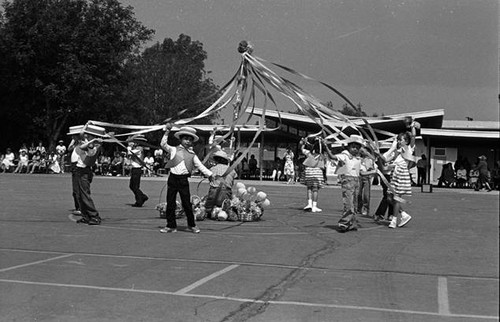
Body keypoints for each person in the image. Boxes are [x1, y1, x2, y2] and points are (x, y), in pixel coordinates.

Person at [159, 124, 214, 233]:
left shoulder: (192, 155)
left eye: (190, 139)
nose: (187, 141)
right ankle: (170, 225)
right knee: (170, 203)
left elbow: (200, 166)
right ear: (180, 139)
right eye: (185, 139)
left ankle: (191, 225)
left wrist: (210, 175)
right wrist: (167, 131)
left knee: (186, 204)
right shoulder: (174, 150)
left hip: (183, 180)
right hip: (173, 179)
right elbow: (163, 144)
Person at [382, 122, 418, 229]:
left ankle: (393, 220)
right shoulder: (396, 151)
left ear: (406, 141)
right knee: (389, 197)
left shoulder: (408, 149)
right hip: (394, 174)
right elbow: (386, 159)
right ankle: (403, 214)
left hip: (402, 174)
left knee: (396, 198)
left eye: (401, 139)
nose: (398, 141)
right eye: (398, 139)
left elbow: (413, 137)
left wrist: (412, 127)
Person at [325, 134, 364, 231]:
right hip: (348, 181)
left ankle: (351, 223)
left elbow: (362, 171)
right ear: (349, 146)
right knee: (349, 203)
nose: (355, 149)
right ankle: (344, 223)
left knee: (354, 204)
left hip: (356, 181)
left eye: (357, 147)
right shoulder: (345, 155)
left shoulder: (358, 158)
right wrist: (326, 146)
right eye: (353, 147)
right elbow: (333, 157)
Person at [73, 124, 105, 225]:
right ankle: (85, 215)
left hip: (84, 171)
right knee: (79, 195)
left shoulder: (95, 146)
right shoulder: (91, 142)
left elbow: (86, 149)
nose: (86, 136)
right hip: (79, 170)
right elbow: (82, 135)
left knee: (85, 195)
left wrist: (93, 141)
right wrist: (87, 124)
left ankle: (94, 216)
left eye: (90, 135)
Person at [205, 150, 237, 218]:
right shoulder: (231, 170)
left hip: (213, 194)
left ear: (216, 160)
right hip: (226, 194)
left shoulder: (212, 169)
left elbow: (210, 181)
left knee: (208, 208)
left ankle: (210, 212)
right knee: (225, 207)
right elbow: (231, 183)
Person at [299, 137, 325, 213]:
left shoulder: (309, 153)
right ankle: (314, 206)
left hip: (308, 172)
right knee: (315, 189)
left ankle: (309, 204)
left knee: (309, 188)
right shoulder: (321, 155)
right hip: (317, 172)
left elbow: (302, 149)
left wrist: (304, 143)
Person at [127, 134, 149, 207]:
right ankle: (141, 198)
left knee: (134, 186)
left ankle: (140, 199)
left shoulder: (139, 149)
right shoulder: (137, 148)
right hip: (135, 169)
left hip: (137, 169)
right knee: (133, 186)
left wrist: (129, 146)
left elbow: (130, 152)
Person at [67, 125, 84, 215]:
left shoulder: (82, 144)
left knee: (78, 189)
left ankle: (81, 207)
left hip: (78, 166)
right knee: (75, 190)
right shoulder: (76, 144)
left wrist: (77, 138)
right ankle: (78, 206)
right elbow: (69, 148)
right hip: (74, 167)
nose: (72, 137)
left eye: (74, 135)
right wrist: (74, 140)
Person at [357, 151, 376, 217]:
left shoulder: (369, 160)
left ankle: (366, 209)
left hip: (366, 177)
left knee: (366, 195)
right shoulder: (358, 158)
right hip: (359, 176)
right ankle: (359, 208)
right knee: (358, 194)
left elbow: (371, 167)